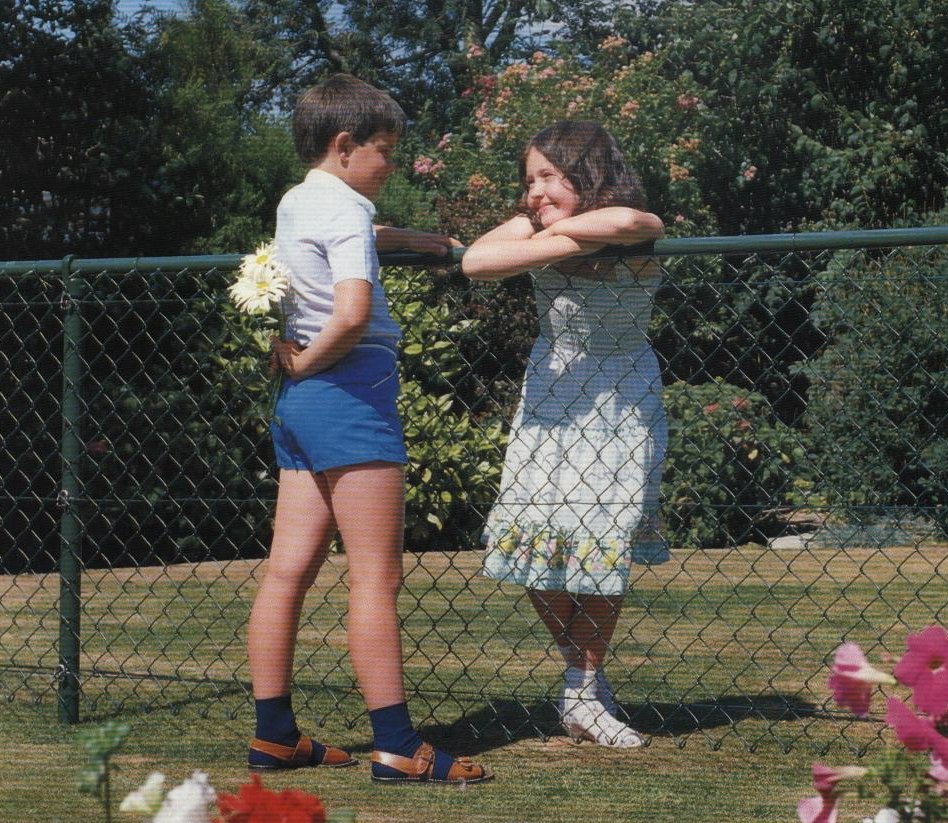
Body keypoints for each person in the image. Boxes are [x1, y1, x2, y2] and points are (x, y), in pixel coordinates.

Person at [245, 73, 491, 785]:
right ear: (344, 145)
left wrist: (420, 240)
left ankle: (275, 736)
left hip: (300, 413)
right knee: (376, 578)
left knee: (286, 572)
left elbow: (352, 243)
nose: (393, 164)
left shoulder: (297, 202)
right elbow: (351, 313)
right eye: (385, 150)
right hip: (349, 393)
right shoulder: (348, 206)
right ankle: (398, 744)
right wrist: (311, 363)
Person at [461, 120, 666, 748]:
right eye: (530, 180)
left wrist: (551, 237)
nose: (536, 192)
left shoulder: (626, 221)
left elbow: (639, 225)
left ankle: (582, 688)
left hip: (622, 396)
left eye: (550, 175)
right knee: (541, 540)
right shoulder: (539, 228)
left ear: (590, 172)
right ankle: (585, 686)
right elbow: (475, 261)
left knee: (604, 535)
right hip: (550, 399)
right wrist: (554, 238)